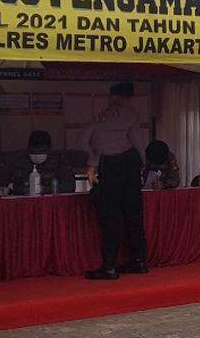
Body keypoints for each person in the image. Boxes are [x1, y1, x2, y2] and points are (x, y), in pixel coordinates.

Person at [79, 81, 148, 280]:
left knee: (111, 217)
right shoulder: (132, 114)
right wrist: (143, 166)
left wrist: (92, 167)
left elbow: (95, 144)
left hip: (110, 164)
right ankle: (140, 261)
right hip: (129, 163)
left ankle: (109, 265)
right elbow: (137, 141)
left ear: (112, 96)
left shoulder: (101, 116)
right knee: (133, 215)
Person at [0, 130, 76, 196]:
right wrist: (9, 192)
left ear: (49, 150)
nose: (37, 154)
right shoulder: (17, 159)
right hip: (22, 204)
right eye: (33, 151)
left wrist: (45, 190)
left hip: (51, 204)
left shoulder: (59, 160)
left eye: (42, 151)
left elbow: (69, 187)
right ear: (28, 149)